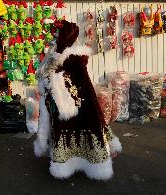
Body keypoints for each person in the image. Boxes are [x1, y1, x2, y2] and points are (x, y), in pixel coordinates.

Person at [34, 20, 122, 180]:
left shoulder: (71, 57)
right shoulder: (58, 54)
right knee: (64, 129)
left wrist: (53, 78)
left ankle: (79, 163)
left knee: (75, 129)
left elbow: (76, 82)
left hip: (71, 104)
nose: (52, 38)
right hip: (63, 103)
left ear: (63, 37)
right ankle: (67, 162)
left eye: (56, 35)